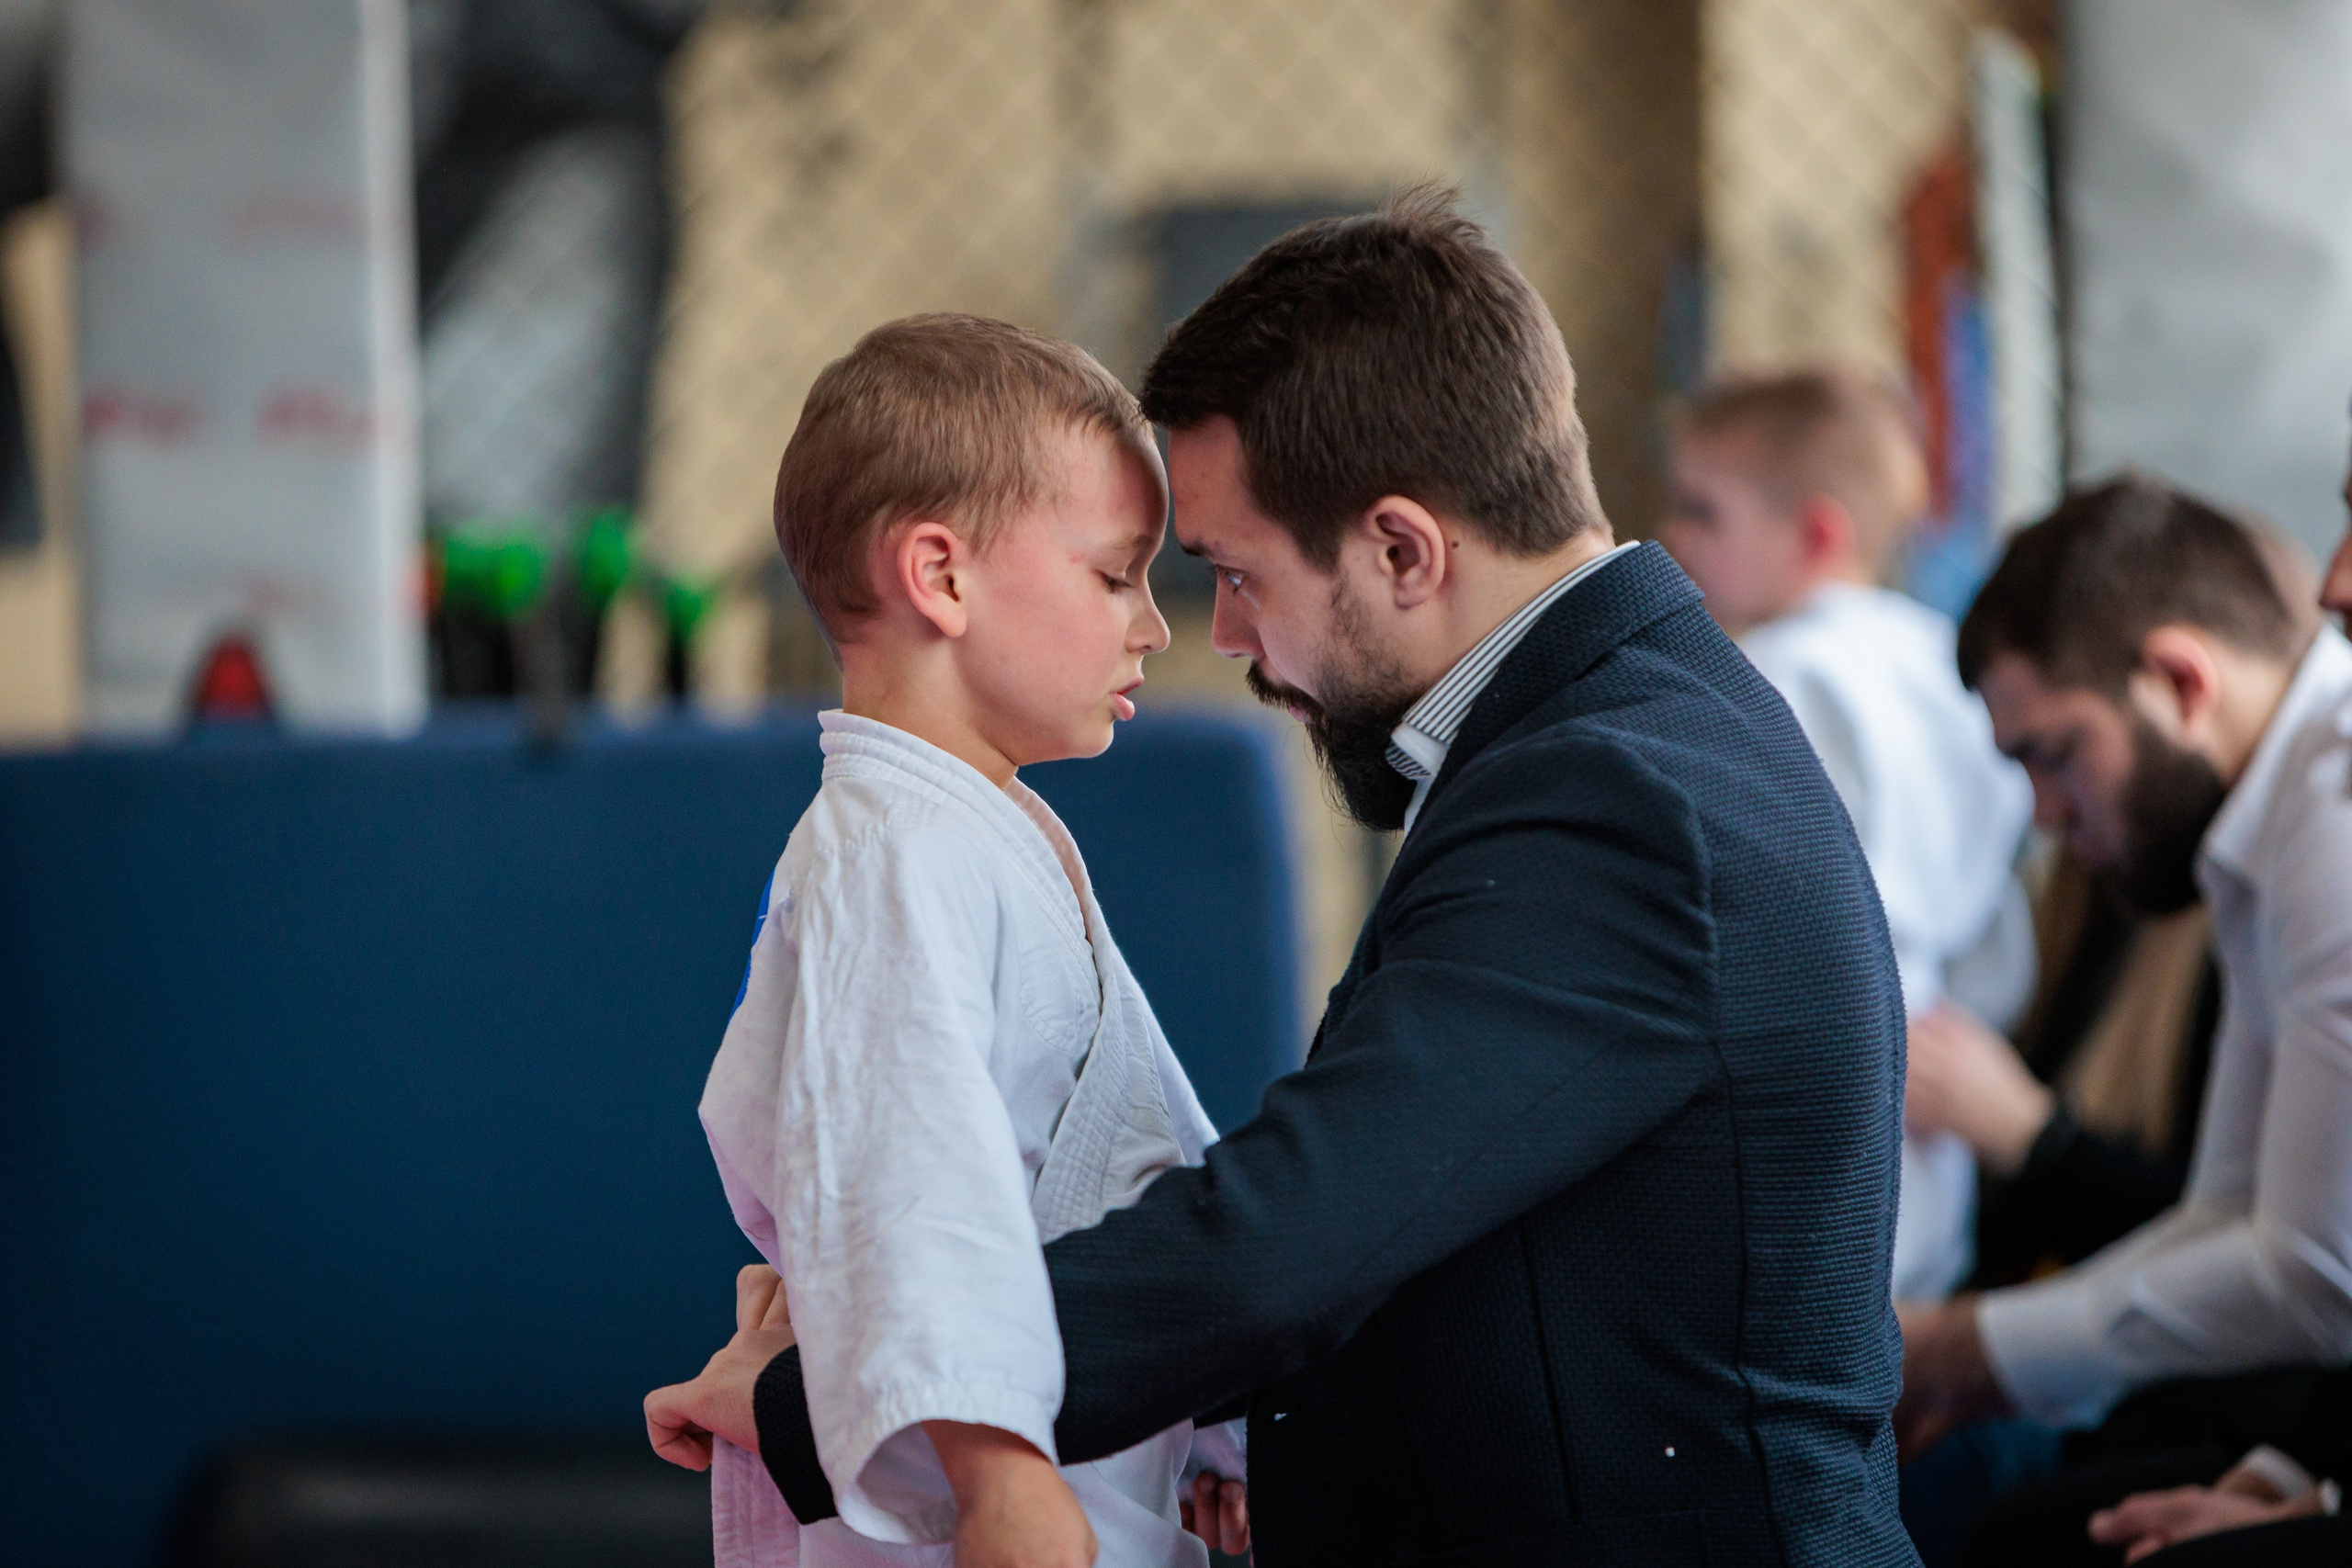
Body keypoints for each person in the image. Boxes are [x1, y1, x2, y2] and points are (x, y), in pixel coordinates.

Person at [650, 187, 1918, 1567]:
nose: (1228, 641)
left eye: (1231, 576)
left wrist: (834, 1388)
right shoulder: (1624, 735)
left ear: (1400, 547)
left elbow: (1291, 1233)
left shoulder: (1619, 794)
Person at [643, 314, 1245, 1568]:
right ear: (943, 575)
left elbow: (1142, 1144)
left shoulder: (976, 825)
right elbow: (912, 1161)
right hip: (964, 1509)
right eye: (1115, 571)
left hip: (1083, 1472)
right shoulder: (890, 848)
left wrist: (1216, 1431)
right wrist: (999, 1471)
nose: (1157, 624)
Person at [1895, 476, 2352, 1546]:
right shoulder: (2267, 823)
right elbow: (2229, 1210)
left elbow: (2311, 1279)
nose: (2048, 817)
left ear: (2181, 680)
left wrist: (1955, 1347)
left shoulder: (2331, 811)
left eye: (2056, 755)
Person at [1659, 368, 2036, 1302]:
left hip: (1800, 1093)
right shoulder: (1934, 659)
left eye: (1703, 512)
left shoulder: (1770, 676)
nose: (1671, 539)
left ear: (1817, 533)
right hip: (1931, 1088)